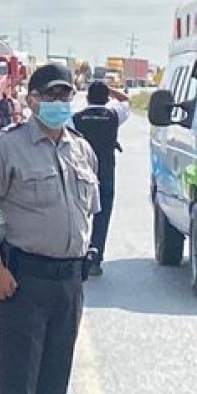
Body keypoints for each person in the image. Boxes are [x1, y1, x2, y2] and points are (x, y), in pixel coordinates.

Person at [0, 63, 101, 394]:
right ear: (31, 100)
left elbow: (89, 212)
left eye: (64, 94)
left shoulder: (82, 149)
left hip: (69, 284)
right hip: (25, 282)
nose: (58, 101)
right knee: (19, 383)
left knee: (55, 383)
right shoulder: (6, 147)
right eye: (50, 94)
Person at [72, 81, 131, 276]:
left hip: (81, 175)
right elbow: (125, 100)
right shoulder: (113, 116)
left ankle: (76, 255)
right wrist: (112, 90)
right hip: (106, 173)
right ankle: (95, 258)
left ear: (87, 97)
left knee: (78, 215)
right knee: (102, 216)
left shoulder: (75, 119)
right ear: (107, 98)